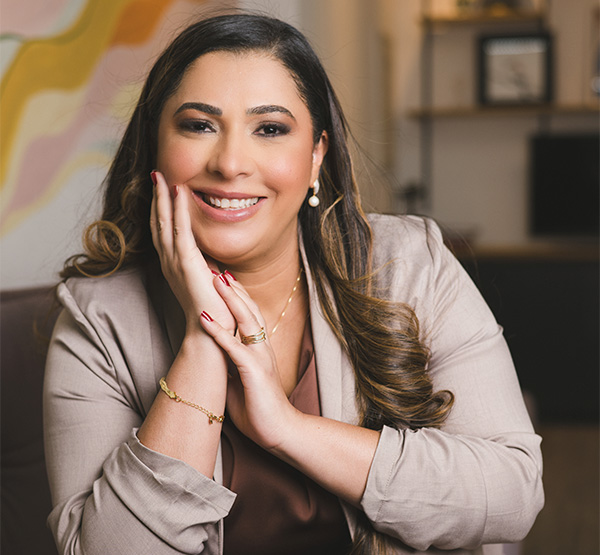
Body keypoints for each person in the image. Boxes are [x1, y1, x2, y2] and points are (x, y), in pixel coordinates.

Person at [43, 12, 544, 555]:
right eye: (199, 125)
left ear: (315, 157)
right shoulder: (98, 319)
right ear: (155, 147)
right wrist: (202, 340)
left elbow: (513, 493)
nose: (231, 163)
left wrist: (287, 428)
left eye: (270, 129)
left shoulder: (408, 265)